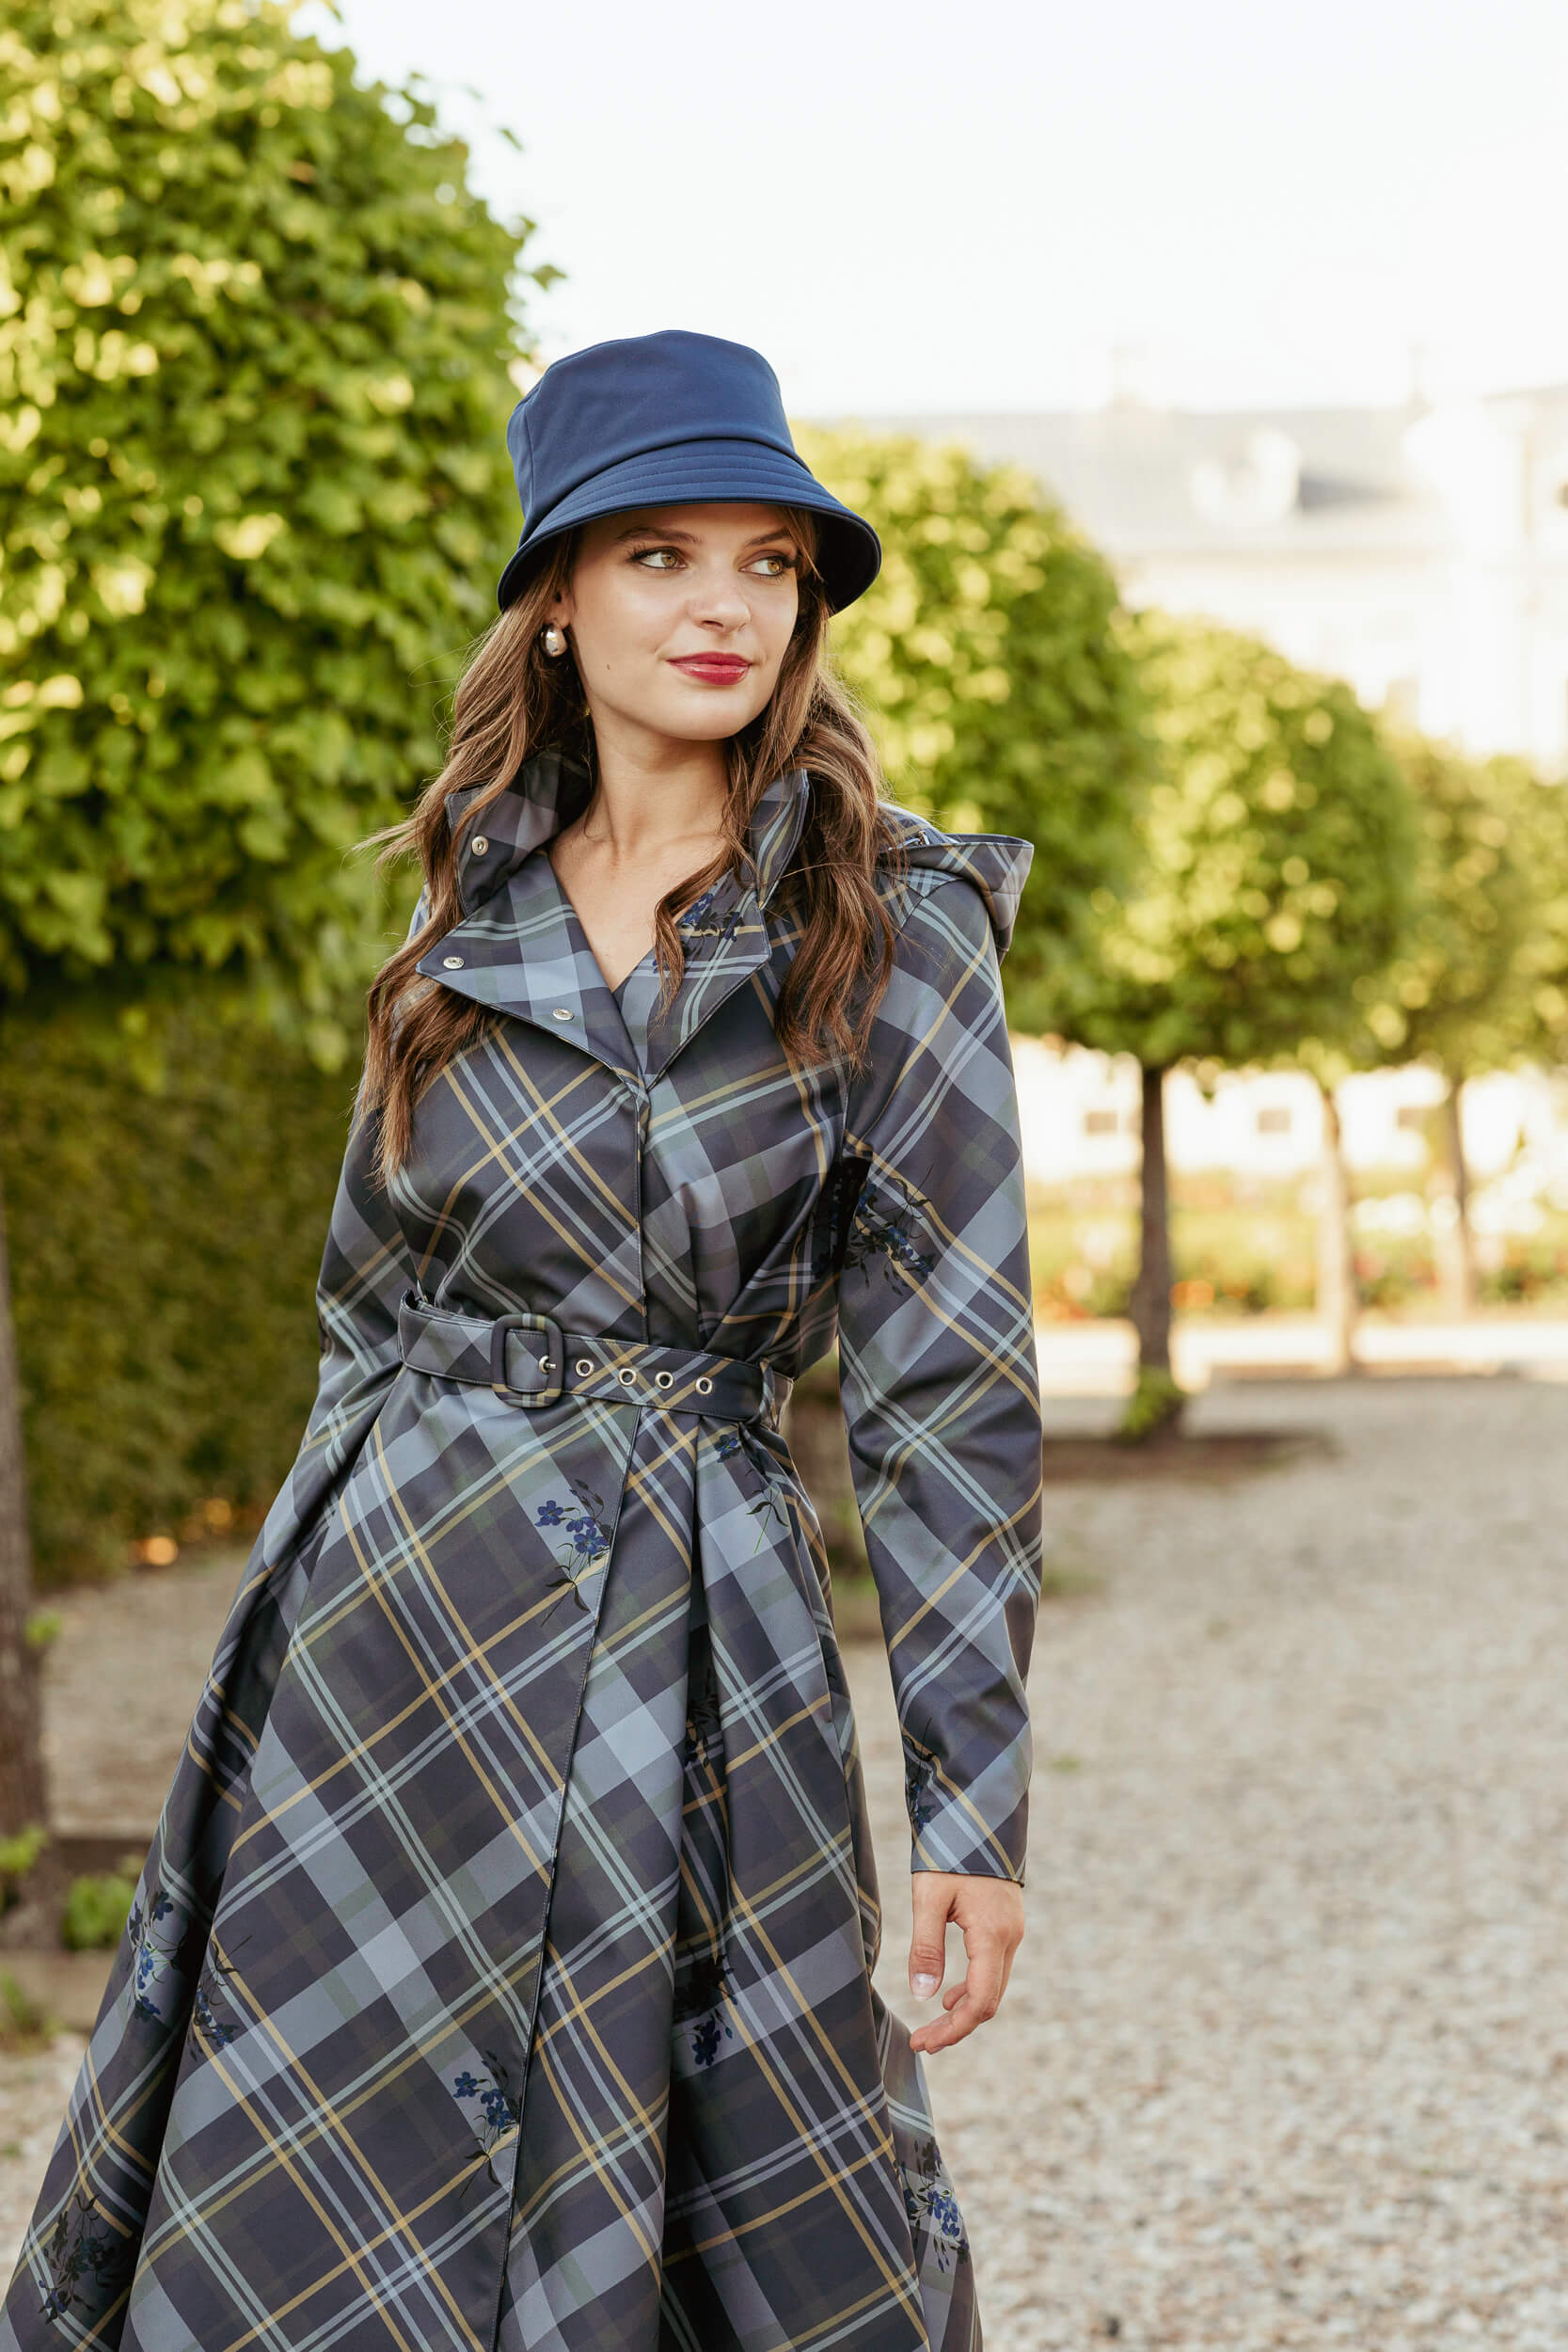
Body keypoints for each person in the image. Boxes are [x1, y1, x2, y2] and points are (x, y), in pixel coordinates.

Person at [2, 328, 1044, 2352]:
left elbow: (951, 1389)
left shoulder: (894, 925)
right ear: (555, 603)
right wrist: (267, 1678)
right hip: (387, 1644)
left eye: (768, 561)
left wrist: (976, 1814)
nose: (724, 604)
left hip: (697, 1636)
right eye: (659, 554)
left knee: (748, 2206)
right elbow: (359, 1313)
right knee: (321, 2183)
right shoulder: (450, 923)